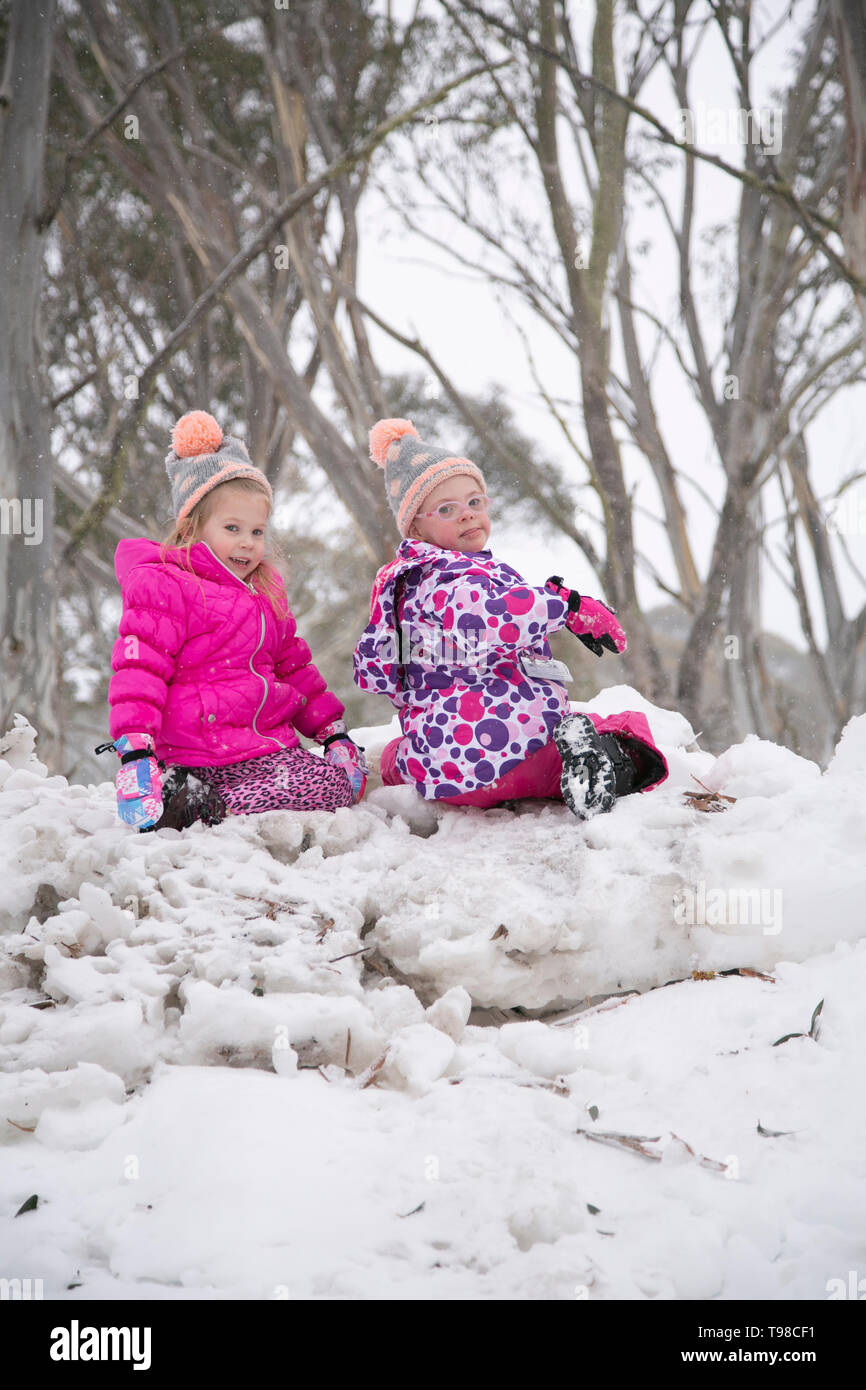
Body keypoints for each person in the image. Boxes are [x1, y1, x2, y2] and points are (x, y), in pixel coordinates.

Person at [353, 417, 668, 818]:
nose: (467, 515)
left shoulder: (404, 589)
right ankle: (606, 760)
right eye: (447, 509)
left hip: (450, 772)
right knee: (626, 727)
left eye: (475, 502)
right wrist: (566, 606)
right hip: (513, 752)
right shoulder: (447, 577)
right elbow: (489, 617)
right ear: (416, 527)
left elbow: (380, 670)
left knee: (399, 755)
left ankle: (414, 760)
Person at [100, 409, 368, 831]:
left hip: (268, 750)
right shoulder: (166, 584)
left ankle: (207, 809)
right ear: (192, 528)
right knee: (303, 795)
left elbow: (294, 669)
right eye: (232, 528)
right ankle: (186, 799)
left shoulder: (266, 591)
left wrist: (332, 734)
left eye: (257, 532)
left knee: (335, 788)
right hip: (200, 754)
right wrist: (136, 752)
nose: (247, 543)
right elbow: (140, 674)